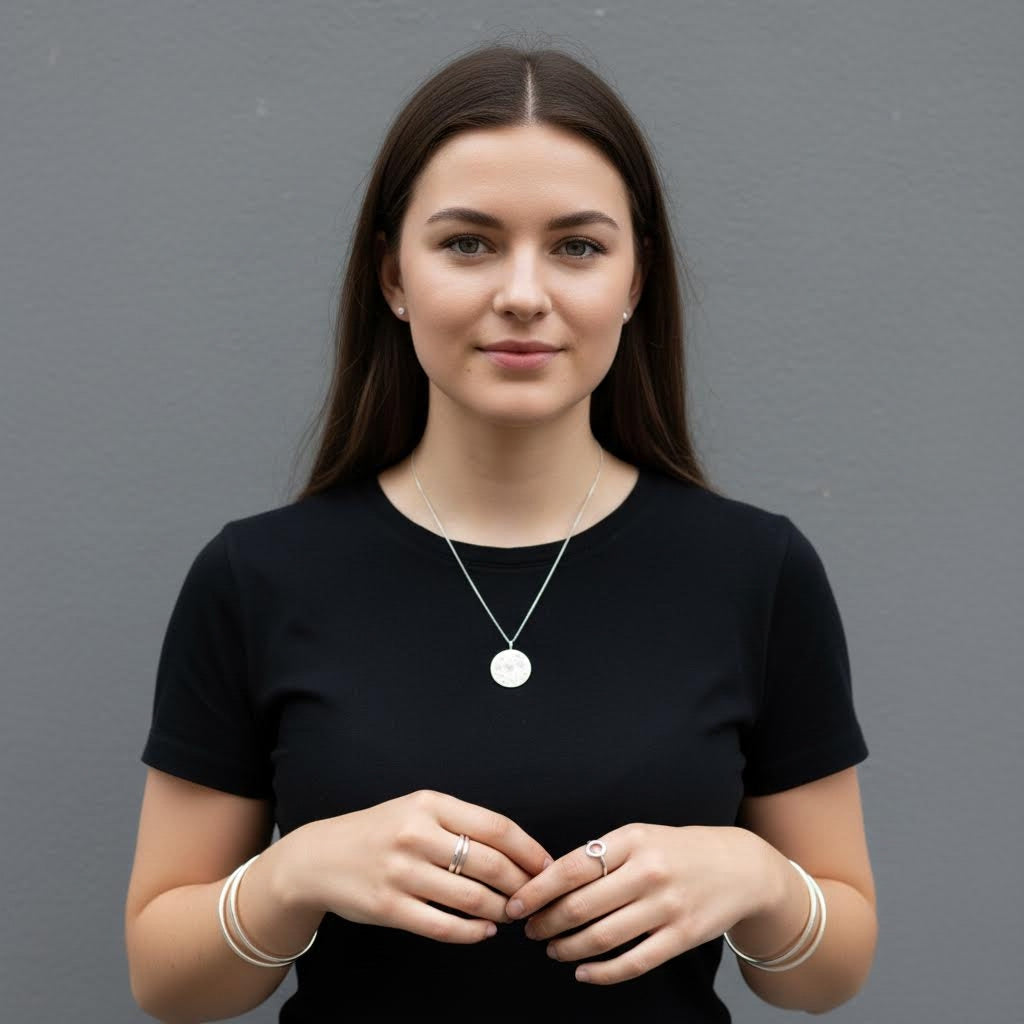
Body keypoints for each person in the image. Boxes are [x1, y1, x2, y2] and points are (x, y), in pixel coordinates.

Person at [124, 39, 877, 1023]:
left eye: (577, 246)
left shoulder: (756, 571)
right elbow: (165, 981)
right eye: (469, 244)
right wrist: (292, 874)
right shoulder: (255, 575)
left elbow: (827, 974)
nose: (523, 293)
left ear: (635, 280)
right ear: (393, 274)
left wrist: (761, 880)